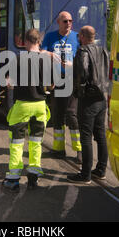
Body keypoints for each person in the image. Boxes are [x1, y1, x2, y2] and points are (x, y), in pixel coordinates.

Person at [2, 29, 51, 192]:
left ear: (25, 42)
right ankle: (33, 178)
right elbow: (52, 85)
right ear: (39, 42)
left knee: (16, 142)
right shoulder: (46, 60)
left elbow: (9, 83)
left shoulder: (18, 59)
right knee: (36, 143)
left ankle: (13, 179)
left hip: (22, 105)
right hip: (40, 106)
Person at [67, 26, 109, 184]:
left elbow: (83, 72)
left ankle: (85, 174)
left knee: (85, 136)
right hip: (102, 98)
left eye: (79, 35)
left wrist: (79, 90)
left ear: (83, 36)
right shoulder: (103, 50)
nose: (78, 38)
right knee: (101, 135)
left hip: (89, 98)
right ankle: (101, 170)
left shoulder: (83, 51)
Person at [41, 11, 82, 164]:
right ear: (58, 22)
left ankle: (79, 150)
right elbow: (42, 51)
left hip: (72, 80)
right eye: (65, 21)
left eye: (70, 21)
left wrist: (73, 65)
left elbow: (82, 57)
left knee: (72, 114)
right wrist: (51, 55)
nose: (69, 23)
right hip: (56, 80)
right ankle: (59, 149)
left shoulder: (77, 37)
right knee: (58, 114)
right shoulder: (50, 36)